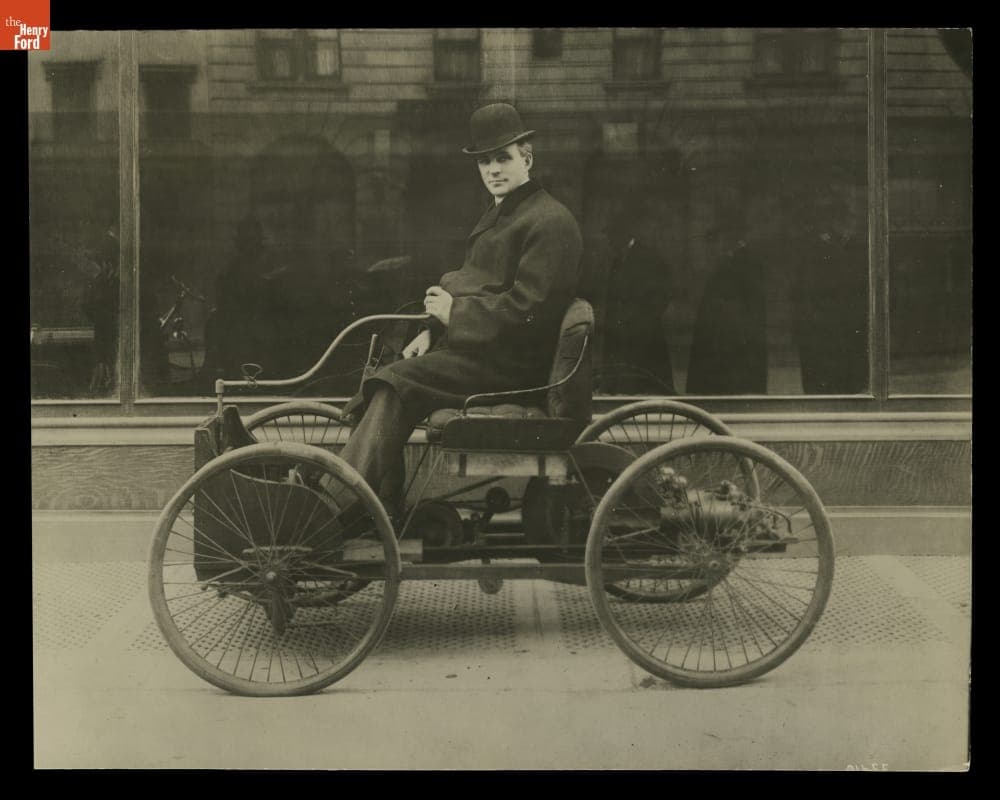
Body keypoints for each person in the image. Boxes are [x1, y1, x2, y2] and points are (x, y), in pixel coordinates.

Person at [336, 103, 583, 512]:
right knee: (387, 375)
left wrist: (456, 315)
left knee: (395, 382)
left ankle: (338, 500)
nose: (493, 170)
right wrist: (433, 327)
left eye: (502, 157)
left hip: (515, 367)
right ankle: (373, 505)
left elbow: (531, 311)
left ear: (527, 156)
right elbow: (475, 280)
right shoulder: (504, 213)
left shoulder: (549, 221)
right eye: (484, 161)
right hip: (486, 353)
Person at [599, 210, 675, 394]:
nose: (609, 241)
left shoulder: (648, 259)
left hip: (643, 335)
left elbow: (662, 294)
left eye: (612, 236)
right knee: (624, 385)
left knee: (647, 384)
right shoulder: (618, 261)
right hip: (621, 336)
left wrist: (641, 319)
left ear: (624, 235)